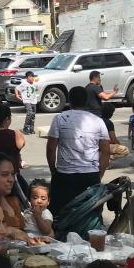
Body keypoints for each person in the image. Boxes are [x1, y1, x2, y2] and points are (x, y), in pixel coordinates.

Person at [46, 86, 110, 217]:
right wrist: (99, 174)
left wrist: (54, 170)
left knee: (61, 214)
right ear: (86, 101)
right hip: (90, 174)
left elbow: (51, 148)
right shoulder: (98, 121)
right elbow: (106, 151)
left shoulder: (59, 118)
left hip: (65, 174)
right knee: (89, 214)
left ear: (69, 100)